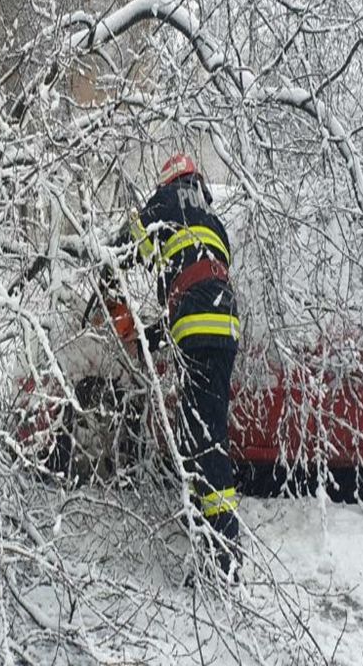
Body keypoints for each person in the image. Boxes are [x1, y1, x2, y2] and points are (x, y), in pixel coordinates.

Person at [106, 153, 241, 576]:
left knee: (203, 436)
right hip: (226, 324)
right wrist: (156, 333)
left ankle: (223, 554)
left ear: (168, 183)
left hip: (197, 324)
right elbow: (198, 279)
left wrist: (105, 275)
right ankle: (205, 522)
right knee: (200, 426)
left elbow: (123, 250)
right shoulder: (214, 222)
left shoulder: (166, 202)